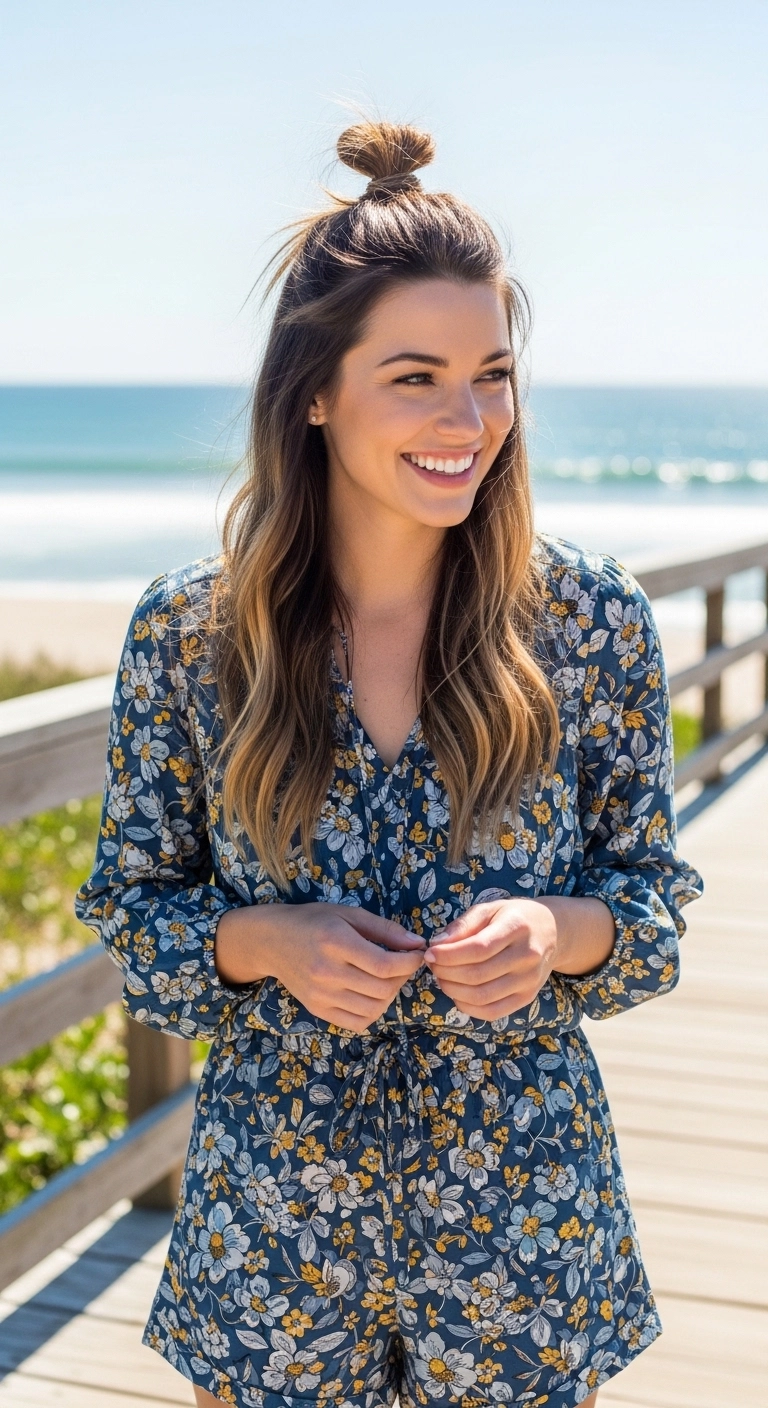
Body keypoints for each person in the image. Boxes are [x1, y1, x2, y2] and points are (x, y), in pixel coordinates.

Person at [76, 119, 703, 1408]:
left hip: (521, 1236)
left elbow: (648, 910)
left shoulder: (588, 621)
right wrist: (266, 942)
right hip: (278, 1247)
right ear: (316, 390)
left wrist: (553, 927)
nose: (467, 421)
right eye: (414, 376)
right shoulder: (193, 635)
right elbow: (137, 921)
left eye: (495, 374)